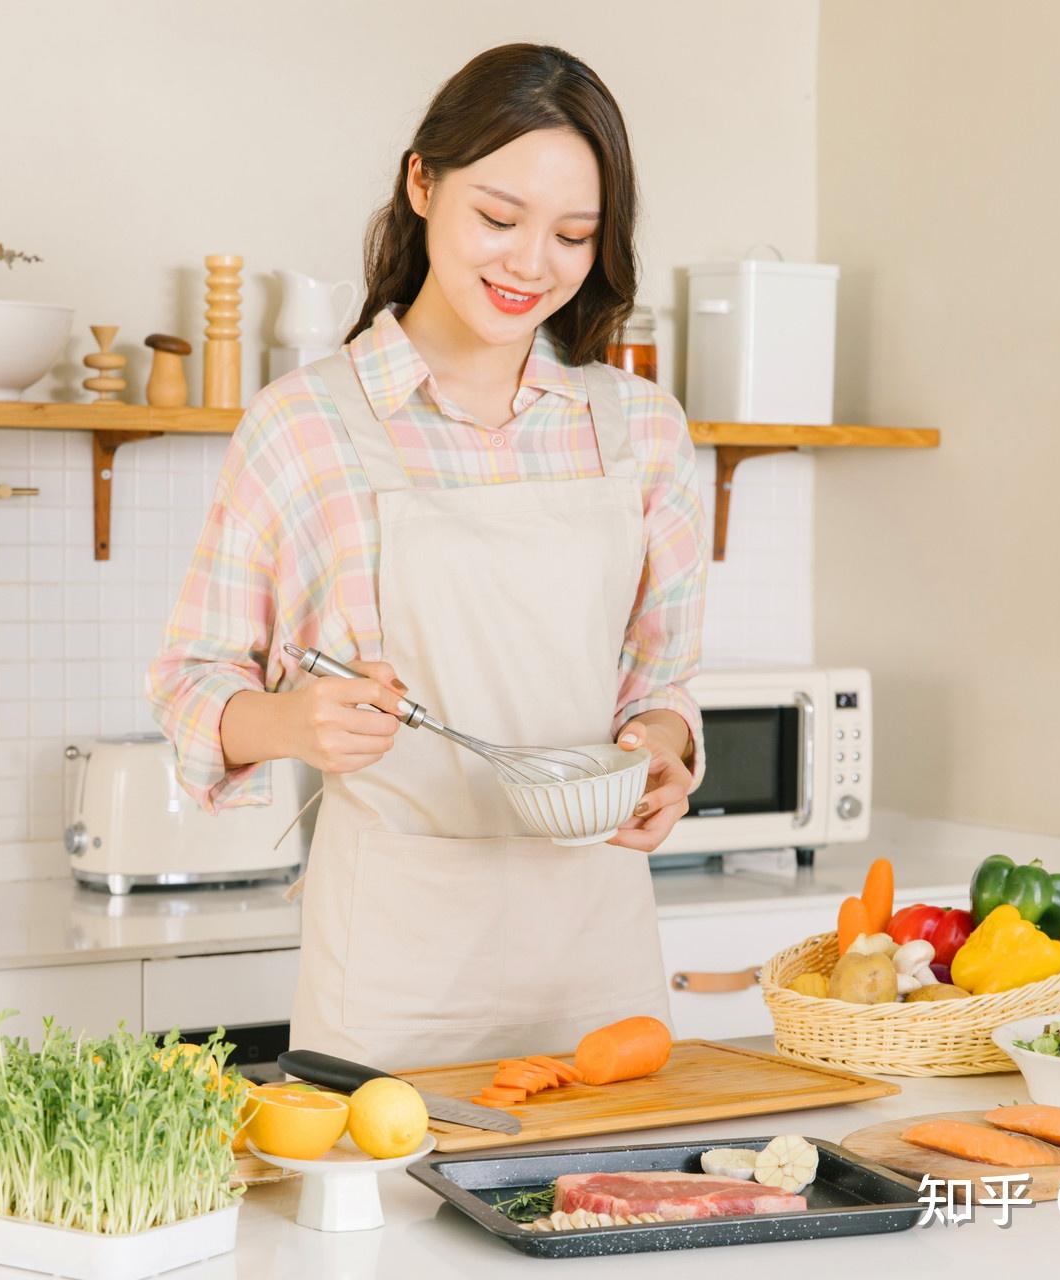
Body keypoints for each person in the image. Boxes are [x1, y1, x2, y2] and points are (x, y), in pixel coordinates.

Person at [150, 43, 707, 1066]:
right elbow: (188, 684)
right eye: (499, 218)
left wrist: (665, 750)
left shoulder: (644, 430)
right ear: (422, 182)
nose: (531, 263)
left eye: (573, 234)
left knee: (611, 1211)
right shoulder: (303, 425)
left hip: (599, 965)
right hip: (397, 976)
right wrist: (291, 719)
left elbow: (657, 685)